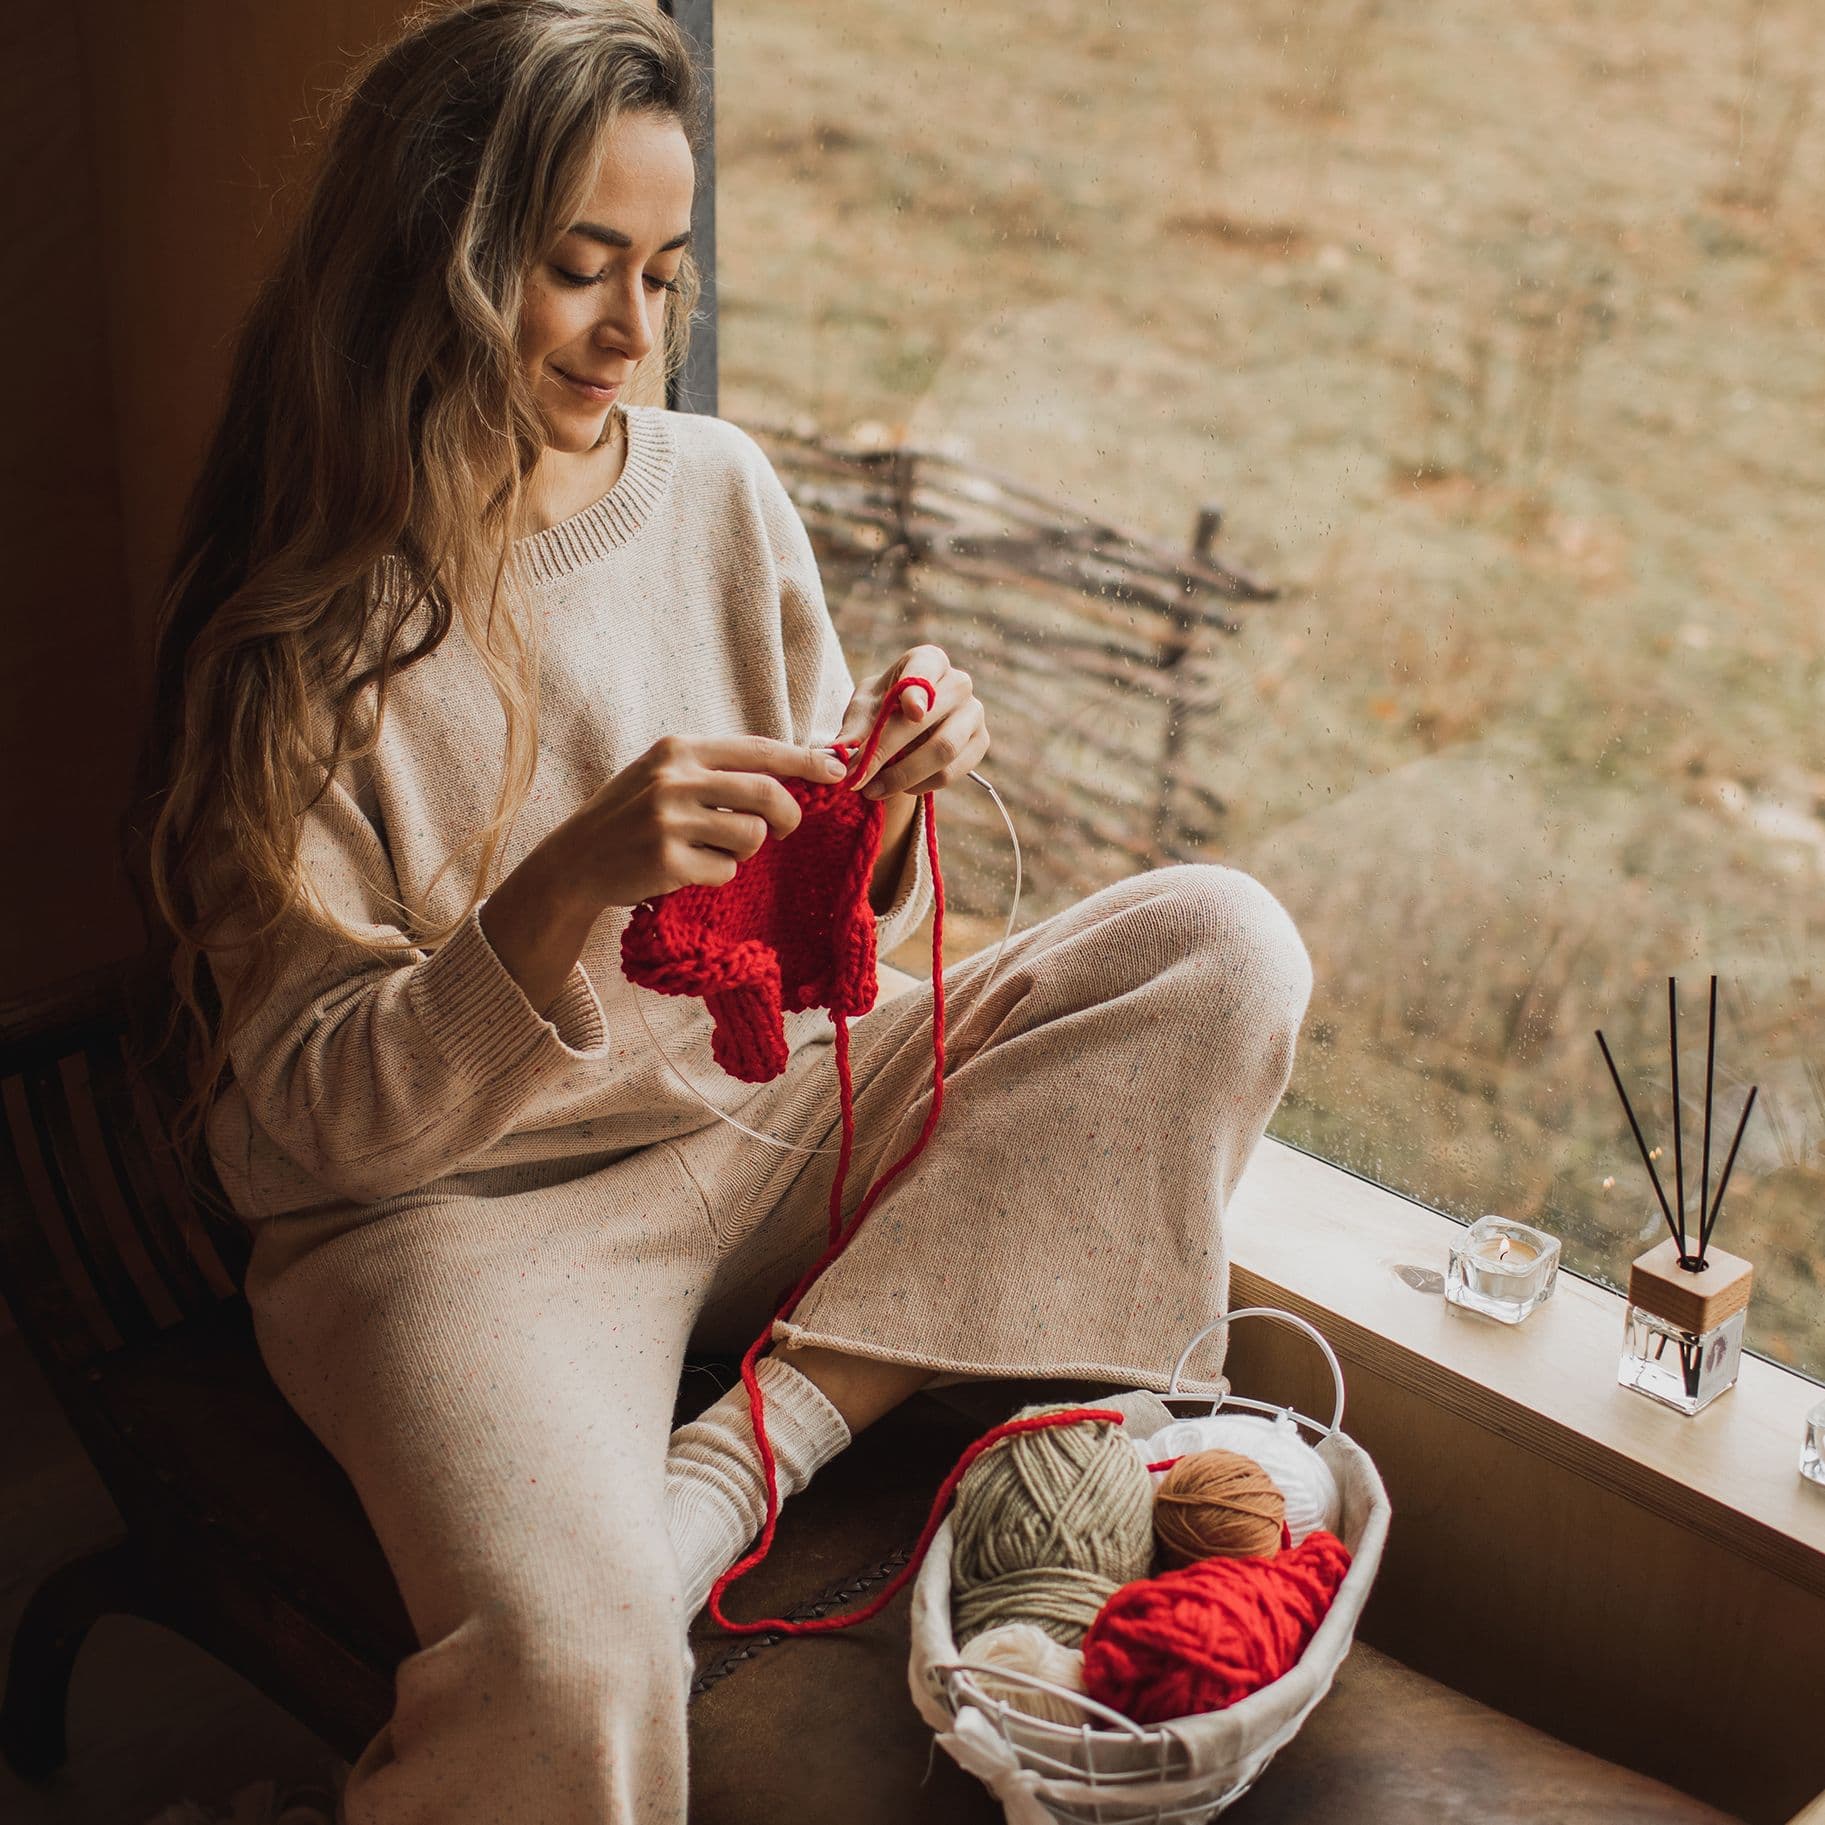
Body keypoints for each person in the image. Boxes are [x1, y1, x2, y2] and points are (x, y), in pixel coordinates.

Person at [123, 3, 1315, 1820]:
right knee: (580, 1667)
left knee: (1222, 944)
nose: (630, 332)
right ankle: (650, 1541)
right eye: (576, 269)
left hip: (764, 1114)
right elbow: (294, 1139)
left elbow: (816, 911)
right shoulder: (299, 639)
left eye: (664, 275)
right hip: (464, 1220)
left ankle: (738, 1464)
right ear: (434, 265)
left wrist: (884, 798)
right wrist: (560, 886)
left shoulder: (717, 487)